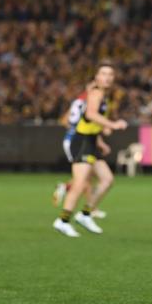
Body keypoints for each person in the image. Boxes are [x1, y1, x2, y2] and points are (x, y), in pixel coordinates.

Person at [52, 62, 128, 237]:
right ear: (96, 78)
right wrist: (113, 124)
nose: (107, 77)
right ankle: (63, 221)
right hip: (82, 142)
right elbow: (90, 115)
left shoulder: (104, 95)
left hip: (92, 141)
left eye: (110, 74)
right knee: (79, 184)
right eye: (103, 74)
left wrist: (101, 137)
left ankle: (85, 214)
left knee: (107, 180)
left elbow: (92, 121)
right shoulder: (96, 93)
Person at [52, 82, 105, 219]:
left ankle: (66, 188)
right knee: (84, 177)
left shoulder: (78, 101)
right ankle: (89, 209)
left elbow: (64, 121)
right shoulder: (90, 103)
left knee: (86, 176)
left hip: (72, 139)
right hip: (78, 141)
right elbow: (90, 123)